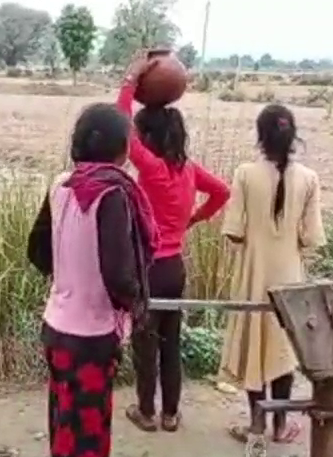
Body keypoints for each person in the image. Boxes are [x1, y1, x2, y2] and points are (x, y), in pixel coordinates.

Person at [26, 102, 157, 457]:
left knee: (69, 438)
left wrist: (69, 283)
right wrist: (136, 306)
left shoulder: (63, 186)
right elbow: (121, 272)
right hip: (91, 338)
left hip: (59, 328)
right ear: (121, 148)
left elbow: (37, 249)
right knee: (88, 443)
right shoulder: (113, 193)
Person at [116, 54, 231, 433]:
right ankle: (171, 414)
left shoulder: (150, 167)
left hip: (147, 267)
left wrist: (130, 80)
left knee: (145, 341)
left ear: (147, 137)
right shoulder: (190, 171)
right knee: (171, 341)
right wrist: (194, 219)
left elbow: (121, 126)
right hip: (175, 268)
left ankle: (146, 412)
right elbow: (222, 192)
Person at [220, 104, 325, 445]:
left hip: (255, 272)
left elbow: (233, 231)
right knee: (282, 348)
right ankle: (281, 425)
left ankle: (255, 423)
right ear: (292, 135)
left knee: (255, 345)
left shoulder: (245, 174)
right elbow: (311, 238)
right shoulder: (309, 179)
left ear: (260, 135)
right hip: (290, 275)